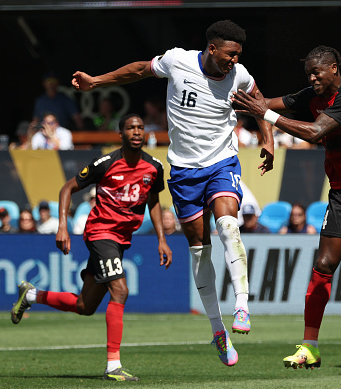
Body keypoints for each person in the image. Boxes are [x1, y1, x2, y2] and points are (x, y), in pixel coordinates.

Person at [71, 20, 274, 367]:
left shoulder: (239, 75)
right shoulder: (178, 60)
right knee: (199, 251)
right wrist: (97, 81)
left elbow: (260, 102)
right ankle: (217, 330)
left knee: (228, 225)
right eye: (230, 54)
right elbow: (139, 69)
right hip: (183, 172)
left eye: (238, 55)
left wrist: (267, 139)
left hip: (222, 163)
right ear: (212, 48)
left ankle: (242, 304)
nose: (234, 61)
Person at [232, 45, 341, 385]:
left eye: (316, 72)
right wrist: (230, 97)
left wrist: (265, 116)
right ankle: (310, 345)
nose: (311, 78)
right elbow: (266, 103)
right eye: (308, 73)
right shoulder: (312, 95)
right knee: (323, 265)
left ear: (334, 68)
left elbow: (314, 132)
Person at [10, 114, 172, 381]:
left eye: (140, 127)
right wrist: (62, 226)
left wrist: (161, 239)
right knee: (120, 290)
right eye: (130, 128)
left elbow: (153, 200)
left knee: (85, 305)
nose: (136, 132)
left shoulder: (154, 167)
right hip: (100, 233)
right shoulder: (105, 163)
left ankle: (31, 295)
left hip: (121, 239)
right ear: (120, 134)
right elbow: (67, 188)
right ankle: (113, 366)